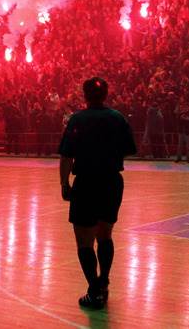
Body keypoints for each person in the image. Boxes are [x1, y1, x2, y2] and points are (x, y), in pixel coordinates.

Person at [58, 77, 136, 310]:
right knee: (105, 235)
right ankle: (104, 281)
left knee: (84, 241)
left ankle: (94, 290)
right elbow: (128, 149)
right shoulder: (117, 118)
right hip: (112, 182)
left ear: (85, 95)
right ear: (106, 94)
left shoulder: (77, 120)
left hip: (87, 183)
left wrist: (64, 184)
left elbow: (66, 156)